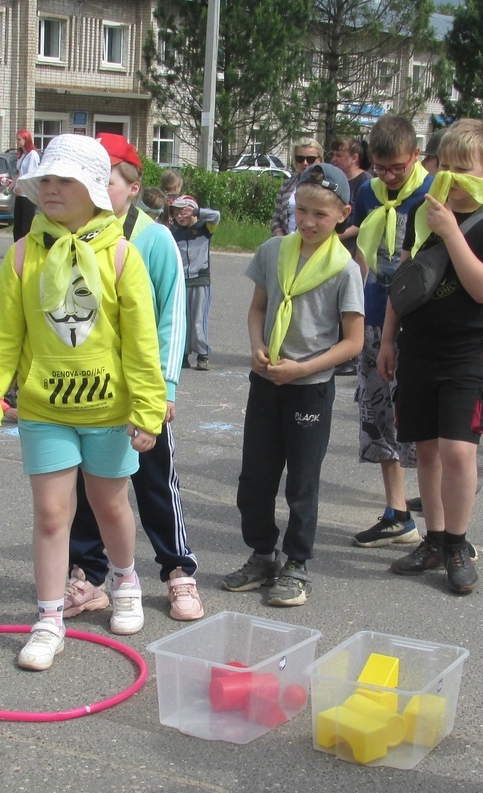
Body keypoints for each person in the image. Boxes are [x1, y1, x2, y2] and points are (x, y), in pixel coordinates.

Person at [0, 134, 166, 663]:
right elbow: (2, 338)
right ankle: (49, 617)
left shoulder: (124, 256)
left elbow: (142, 343)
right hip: (44, 412)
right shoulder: (20, 257)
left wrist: (149, 410)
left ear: (96, 189)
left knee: (109, 506)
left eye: (66, 180)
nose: (52, 189)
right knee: (52, 515)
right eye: (46, 180)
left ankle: (125, 582)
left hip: (109, 413)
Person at [64, 133, 203, 622]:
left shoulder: (152, 237)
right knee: (89, 484)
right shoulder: (74, 236)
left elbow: (173, 316)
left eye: (108, 180)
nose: (98, 189)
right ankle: (89, 575)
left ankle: (178, 571)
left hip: (141, 388)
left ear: (133, 186)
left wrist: (165, 387)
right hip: (91, 390)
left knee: (153, 480)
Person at [378, 118, 483, 595]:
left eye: (466, 169)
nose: (454, 179)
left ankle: (458, 543)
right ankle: (434, 539)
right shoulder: (425, 211)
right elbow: (405, 280)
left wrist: (451, 233)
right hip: (419, 345)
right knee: (428, 449)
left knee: (459, 449)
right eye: (447, 166)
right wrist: (388, 340)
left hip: (468, 349)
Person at [221, 162, 364, 607]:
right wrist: (256, 346)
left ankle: (297, 563)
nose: (307, 222)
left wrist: (302, 370)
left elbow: (354, 342)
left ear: (343, 213)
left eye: (320, 215)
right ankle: (262, 554)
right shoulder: (273, 251)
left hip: (309, 386)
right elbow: (258, 308)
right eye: (301, 210)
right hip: (267, 380)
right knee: (255, 478)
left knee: (302, 481)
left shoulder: (345, 269)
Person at [349, 114, 432, 549]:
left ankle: (441, 527)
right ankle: (397, 512)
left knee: (422, 421)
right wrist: (354, 313)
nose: (388, 175)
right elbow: (363, 254)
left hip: (419, 321)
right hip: (376, 313)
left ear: (415, 157)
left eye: (397, 167)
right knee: (377, 413)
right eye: (380, 167)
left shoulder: (432, 192)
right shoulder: (367, 192)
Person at [169, 194, 219, 370]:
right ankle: (183, 354)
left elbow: (216, 216)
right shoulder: (174, 233)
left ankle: (202, 354)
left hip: (200, 280)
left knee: (198, 319)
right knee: (183, 320)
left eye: (183, 212)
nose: (179, 216)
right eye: (176, 213)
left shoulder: (204, 228)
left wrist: (197, 212)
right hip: (182, 282)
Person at [270, 139, 322, 237]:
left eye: (310, 159)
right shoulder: (287, 185)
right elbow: (275, 219)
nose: (305, 163)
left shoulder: (326, 187)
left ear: (320, 159)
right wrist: (281, 239)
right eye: (300, 158)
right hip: (287, 242)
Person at [12, 129, 40, 241]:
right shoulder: (23, 155)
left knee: (25, 226)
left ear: (26, 139)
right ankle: (16, 249)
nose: (17, 142)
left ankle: (26, 250)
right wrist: (12, 185)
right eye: (17, 139)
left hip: (27, 194)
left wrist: (21, 187)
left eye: (19, 139)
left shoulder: (32, 155)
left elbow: (31, 174)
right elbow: (19, 173)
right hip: (19, 194)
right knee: (17, 225)